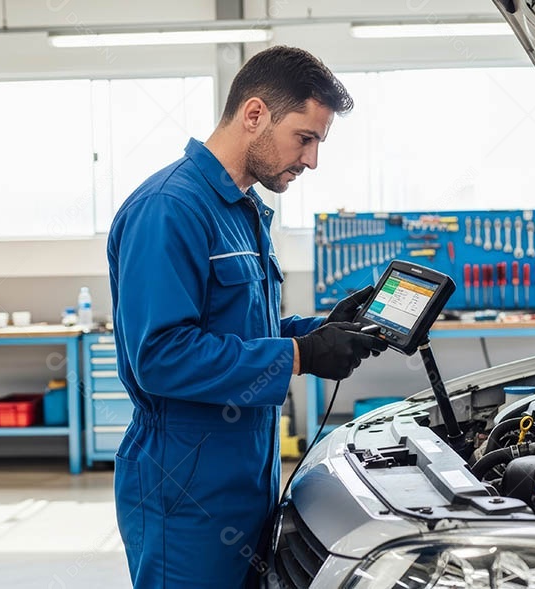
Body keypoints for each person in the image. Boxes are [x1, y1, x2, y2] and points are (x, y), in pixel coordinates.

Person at [107, 46, 387, 588]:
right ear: (255, 114)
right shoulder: (170, 208)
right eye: (304, 138)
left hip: (247, 477)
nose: (311, 160)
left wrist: (321, 330)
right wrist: (301, 356)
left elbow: (238, 331)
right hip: (186, 489)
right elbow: (161, 357)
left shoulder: (241, 211)